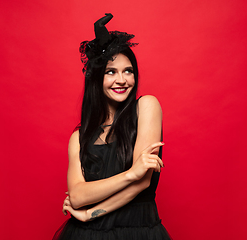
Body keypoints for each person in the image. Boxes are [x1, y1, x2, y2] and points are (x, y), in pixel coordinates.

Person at [53, 13, 171, 240]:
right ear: (97, 79)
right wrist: (130, 174)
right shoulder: (79, 137)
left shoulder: (146, 106)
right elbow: (77, 196)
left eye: (128, 71)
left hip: (139, 231)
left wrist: (90, 214)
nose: (122, 80)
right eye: (111, 72)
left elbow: (143, 182)